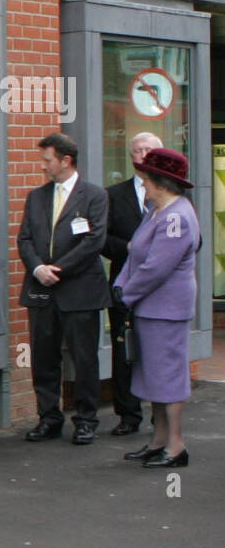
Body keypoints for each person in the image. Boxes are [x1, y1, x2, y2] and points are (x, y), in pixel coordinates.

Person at [17, 132, 110, 445]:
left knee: (84, 358)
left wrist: (58, 269)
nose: (43, 166)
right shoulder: (36, 197)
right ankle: (49, 418)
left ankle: (85, 420)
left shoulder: (94, 196)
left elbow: (93, 241)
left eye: (47, 160)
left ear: (66, 160)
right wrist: (37, 268)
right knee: (43, 358)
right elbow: (25, 239)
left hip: (80, 290)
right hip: (42, 289)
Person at [113, 148, 198, 468]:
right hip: (150, 308)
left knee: (168, 378)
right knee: (152, 377)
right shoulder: (156, 211)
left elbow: (156, 267)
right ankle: (158, 441)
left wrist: (126, 294)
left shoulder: (176, 216)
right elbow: (135, 254)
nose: (143, 184)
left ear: (162, 183)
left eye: (147, 179)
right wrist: (121, 286)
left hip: (167, 310)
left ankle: (176, 447)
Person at [101, 132, 162, 436]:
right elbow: (102, 238)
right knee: (123, 351)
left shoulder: (173, 196)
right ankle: (127, 415)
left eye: (148, 149)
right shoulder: (113, 194)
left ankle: (160, 417)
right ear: (130, 156)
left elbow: (192, 239)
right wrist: (130, 248)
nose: (142, 154)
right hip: (124, 284)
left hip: (159, 288)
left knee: (156, 351)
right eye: (137, 150)